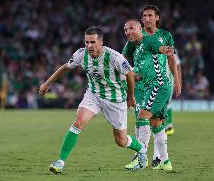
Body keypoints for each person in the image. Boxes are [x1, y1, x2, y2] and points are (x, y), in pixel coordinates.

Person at [39, 26, 145, 174]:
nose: (89, 45)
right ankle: (60, 162)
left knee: (121, 140)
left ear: (101, 42)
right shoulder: (81, 54)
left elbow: (130, 73)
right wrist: (47, 83)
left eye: (93, 42)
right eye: (87, 42)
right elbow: (65, 67)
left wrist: (130, 96)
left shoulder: (114, 57)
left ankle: (141, 149)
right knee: (78, 122)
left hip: (115, 99)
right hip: (93, 95)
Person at [123, 5, 182, 170]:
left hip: (157, 84)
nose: (147, 18)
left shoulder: (162, 36)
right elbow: (122, 61)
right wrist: (130, 77)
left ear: (157, 18)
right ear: (141, 21)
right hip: (141, 87)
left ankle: (140, 158)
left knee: (143, 118)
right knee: (155, 123)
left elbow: (169, 56)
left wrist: (176, 80)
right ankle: (165, 161)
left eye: (150, 15)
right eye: (144, 16)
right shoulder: (134, 41)